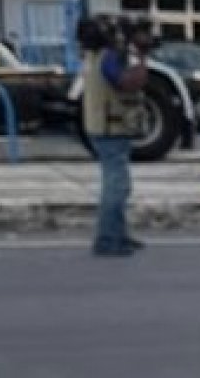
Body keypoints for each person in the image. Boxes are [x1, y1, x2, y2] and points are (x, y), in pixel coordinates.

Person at [79, 16, 149, 258]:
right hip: (110, 129)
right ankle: (108, 239)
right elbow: (127, 82)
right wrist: (141, 56)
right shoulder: (106, 58)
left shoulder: (93, 57)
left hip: (102, 126)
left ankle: (118, 235)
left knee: (118, 183)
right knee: (116, 186)